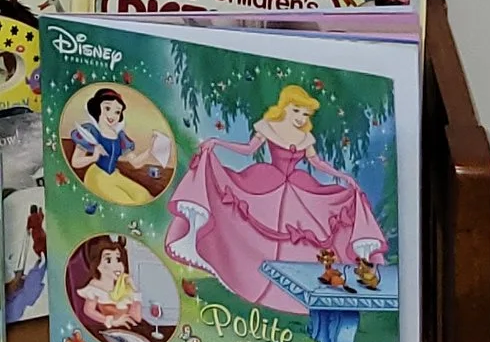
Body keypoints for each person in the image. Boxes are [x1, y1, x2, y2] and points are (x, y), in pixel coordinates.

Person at [163, 81, 388, 308]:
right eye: (296, 110)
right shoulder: (268, 126)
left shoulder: (306, 137)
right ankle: (253, 281)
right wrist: (217, 142)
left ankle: (299, 292)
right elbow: (249, 149)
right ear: (285, 106)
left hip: (299, 189)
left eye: (305, 114)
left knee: (309, 237)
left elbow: (317, 163)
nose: (300, 117)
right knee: (252, 227)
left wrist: (343, 176)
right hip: (268, 184)